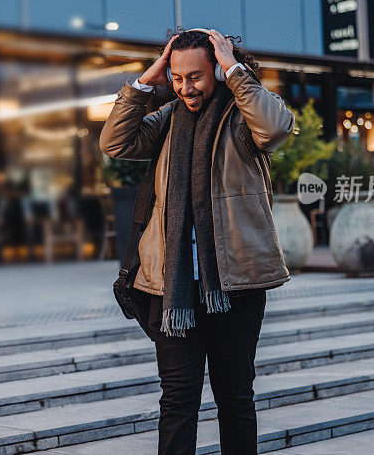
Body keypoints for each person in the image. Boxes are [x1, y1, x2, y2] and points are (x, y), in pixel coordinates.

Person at [99, 28, 295, 454]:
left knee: (236, 400)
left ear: (219, 72)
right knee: (177, 405)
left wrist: (235, 70)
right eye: (177, 76)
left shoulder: (243, 117)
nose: (186, 87)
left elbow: (276, 127)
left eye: (197, 76)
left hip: (234, 287)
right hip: (173, 291)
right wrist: (148, 78)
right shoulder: (167, 119)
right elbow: (114, 141)